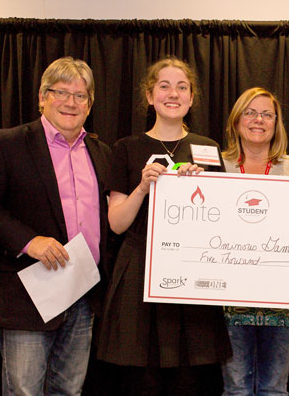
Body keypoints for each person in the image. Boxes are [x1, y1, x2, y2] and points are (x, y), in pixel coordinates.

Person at [0, 57, 112, 395]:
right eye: (61, 92)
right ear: (42, 97)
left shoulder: (100, 151)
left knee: (68, 391)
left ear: (90, 105)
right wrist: (31, 242)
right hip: (27, 296)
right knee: (24, 392)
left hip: (84, 295)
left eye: (81, 96)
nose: (71, 103)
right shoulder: (7, 144)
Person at [96, 57, 231, 395]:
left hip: (191, 275)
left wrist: (203, 190)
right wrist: (143, 186)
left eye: (182, 87)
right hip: (139, 272)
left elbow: (222, 222)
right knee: (143, 381)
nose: (174, 94)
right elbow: (116, 223)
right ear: (149, 95)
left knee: (189, 380)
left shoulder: (208, 149)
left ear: (192, 97)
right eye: (164, 86)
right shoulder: (126, 148)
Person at [220, 87, 289, 395]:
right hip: (231, 300)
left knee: (274, 389)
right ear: (236, 120)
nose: (259, 120)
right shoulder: (217, 168)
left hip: (283, 301)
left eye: (267, 114)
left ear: (277, 123)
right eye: (250, 112)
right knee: (236, 388)